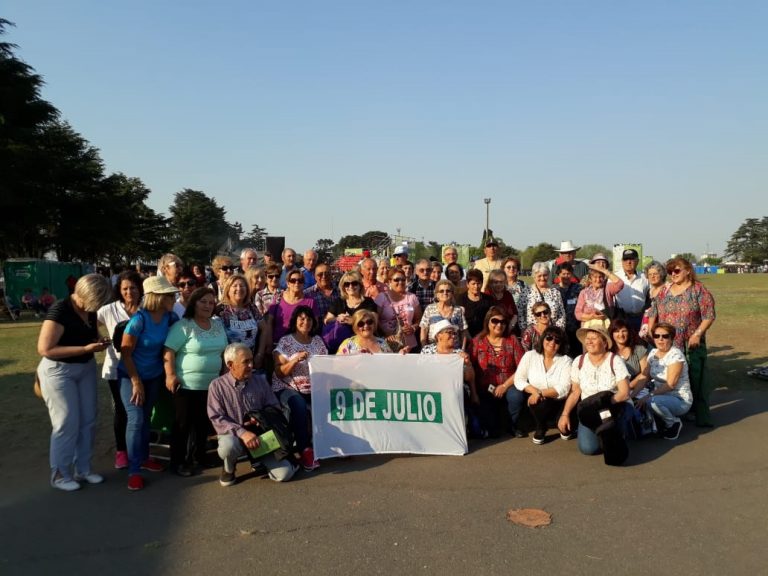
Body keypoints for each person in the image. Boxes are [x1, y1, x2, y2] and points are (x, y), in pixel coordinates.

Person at [37, 274, 113, 491]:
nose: (95, 308)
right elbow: (45, 349)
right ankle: (60, 474)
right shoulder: (60, 310)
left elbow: (89, 333)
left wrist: (97, 341)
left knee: (88, 419)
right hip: (58, 371)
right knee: (66, 422)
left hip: (85, 368)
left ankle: (83, 468)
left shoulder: (89, 309)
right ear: (83, 294)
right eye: (95, 302)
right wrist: (85, 349)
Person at [117, 276, 180, 491]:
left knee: (145, 419)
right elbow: (126, 353)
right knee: (135, 419)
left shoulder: (170, 317)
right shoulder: (138, 320)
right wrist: (136, 382)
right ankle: (134, 470)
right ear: (158, 297)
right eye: (170, 295)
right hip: (130, 376)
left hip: (154, 377)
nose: (174, 297)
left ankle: (144, 458)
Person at [207, 343, 298, 486]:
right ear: (231, 365)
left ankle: (260, 460)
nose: (251, 365)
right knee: (228, 446)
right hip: (234, 436)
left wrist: (261, 418)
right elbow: (216, 418)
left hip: (261, 436)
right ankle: (229, 469)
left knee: (285, 474)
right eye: (246, 362)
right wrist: (242, 432)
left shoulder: (260, 381)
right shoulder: (217, 386)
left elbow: (274, 406)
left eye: (251, 360)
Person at [164, 287, 228, 476]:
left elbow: (224, 352)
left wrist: (224, 376)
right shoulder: (184, 325)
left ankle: (199, 456)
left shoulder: (217, 325)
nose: (208, 305)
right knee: (183, 424)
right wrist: (170, 375)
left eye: (211, 302)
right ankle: (178, 462)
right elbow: (168, 351)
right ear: (194, 303)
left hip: (211, 385)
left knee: (203, 423)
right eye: (203, 301)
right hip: (185, 385)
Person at [647, 257, 716, 427]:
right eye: (670, 271)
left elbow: (709, 315)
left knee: (696, 378)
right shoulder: (665, 290)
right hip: (669, 344)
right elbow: (653, 311)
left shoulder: (698, 290)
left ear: (687, 270)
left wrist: (698, 333)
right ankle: (677, 410)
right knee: (672, 379)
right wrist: (651, 330)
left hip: (691, 342)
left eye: (676, 271)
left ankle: (700, 415)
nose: (673, 274)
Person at [559, 326, 631, 457]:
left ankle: (622, 429)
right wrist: (565, 414)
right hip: (589, 411)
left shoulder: (615, 361)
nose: (589, 342)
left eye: (594, 338)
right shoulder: (579, 361)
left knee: (614, 445)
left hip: (613, 407)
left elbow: (624, 393)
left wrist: (602, 404)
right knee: (588, 449)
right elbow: (575, 392)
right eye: (587, 339)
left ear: (604, 343)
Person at [97, 270, 143, 471]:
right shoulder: (109, 310)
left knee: (140, 410)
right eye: (125, 288)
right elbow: (90, 323)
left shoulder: (146, 308)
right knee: (122, 411)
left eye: (133, 287)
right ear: (119, 290)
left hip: (142, 367)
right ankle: (121, 451)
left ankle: (141, 449)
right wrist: (100, 339)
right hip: (116, 368)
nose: (129, 292)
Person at [272, 306, 328, 471]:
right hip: (288, 387)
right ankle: (305, 450)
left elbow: (325, 365)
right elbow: (280, 372)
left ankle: (330, 443)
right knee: (299, 405)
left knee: (331, 401)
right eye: (302, 318)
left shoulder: (317, 341)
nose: (306, 322)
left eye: (309, 319)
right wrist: (295, 360)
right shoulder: (286, 342)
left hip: (313, 388)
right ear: (295, 321)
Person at [470, 307, 526, 438]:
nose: (499, 325)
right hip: (485, 388)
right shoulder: (477, 341)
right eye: (495, 321)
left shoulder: (512, 340)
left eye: (503, 322)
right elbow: (470, 366)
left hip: (509, 384)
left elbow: (522, 367)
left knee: (516, 397)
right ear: (487, 323)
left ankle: (513, 425)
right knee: (492, 429)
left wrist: (504, 386)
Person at [514, 326, 575, 444]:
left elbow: (564, 387)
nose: (552, 343)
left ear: (561, 344)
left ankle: (559, 422)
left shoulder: (566, 360)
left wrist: (541, 392)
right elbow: (519, 379)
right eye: (549, 338)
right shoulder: (530, 356)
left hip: (558, 401)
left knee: (566, 431)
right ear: (542, 339)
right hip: (537, 400)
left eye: (557, 341)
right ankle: (540, 427)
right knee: (538, 402)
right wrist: (535, 392)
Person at [637, 322, 693, 440]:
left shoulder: (675, 355)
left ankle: (673, 423)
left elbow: (670, 385)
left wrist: (648, 396)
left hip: (680, 400)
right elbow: (644, 377)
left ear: (672, 338)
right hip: (661, 396)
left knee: (651, 402)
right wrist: (630, 394)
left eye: (665, 336)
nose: (660, 339)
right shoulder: (652, 353)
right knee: (638, 398)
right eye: (657, 336)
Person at [216, 274, 270, 371]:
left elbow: (264, 329)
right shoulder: (220, 310)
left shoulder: (251, 308)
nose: (239, 288)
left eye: (242, 286)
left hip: (250, 362)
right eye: (235, 286)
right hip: (228, 365)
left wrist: (260, 354)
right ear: (228, 289)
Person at [376, 267, 422, 352]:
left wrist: (413, 328)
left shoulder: (412, 297)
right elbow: (375, 319)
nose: (400, 282)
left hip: (409, 346)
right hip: (387, 344)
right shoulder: (381, 297)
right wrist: (386, 334)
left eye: (403, 279)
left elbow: (419, 319)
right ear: (389, 281)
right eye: (396, 280)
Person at [268, 268, 316, 345]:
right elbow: (269, 322)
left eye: (300, 281)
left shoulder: (310, 301)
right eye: (293, 280)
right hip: (277, 343)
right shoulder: (278, 298)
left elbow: (314, 325)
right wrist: (269, 341)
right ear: (288, 283)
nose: (296, 283)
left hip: (300, 344)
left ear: (303, 284)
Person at [574, 258, 624, 330]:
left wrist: (603, 270)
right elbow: (578, 314)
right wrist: (592, 316)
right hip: (588, 328)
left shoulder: (607, 288)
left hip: (606, 327)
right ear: (590, 279)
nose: (598, 280)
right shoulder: (583, 293)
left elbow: (620, 284)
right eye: (595, 277)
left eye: (601, 277)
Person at [419, 279, 469, 348]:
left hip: (454, 350)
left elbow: (463, 331)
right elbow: (424, 329)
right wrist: (424, 347)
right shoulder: (429, 308)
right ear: (437, 294)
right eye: (441, 291)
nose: (445, 293)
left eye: (448, 291)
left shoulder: (458, 310)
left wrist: (462, 349)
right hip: (433, 350)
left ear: (452, 294)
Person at [609, 318, 649, 398]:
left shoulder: (639, 349)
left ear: (629, 332)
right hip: (613, 390)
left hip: (638, 388)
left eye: (624, 331)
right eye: (617, 331)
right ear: (612, 334)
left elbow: (645, 373)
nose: (621, 334)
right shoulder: (608, 353)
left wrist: (628, 386)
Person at [614, 248, 650, 332]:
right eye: (626, 259)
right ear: (622, 262)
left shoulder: (645, 277)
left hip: (641, 318)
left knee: (641, 343)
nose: (628, 262)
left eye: (631, 259)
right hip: (622, 318)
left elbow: (650, 296)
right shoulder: (615, 277)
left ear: (637, 261)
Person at [337, 309, 401, 354]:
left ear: (374, 324)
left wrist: (401, 356)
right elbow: (337, 366)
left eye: (369, 322)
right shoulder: (348, 344)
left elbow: (390, 365)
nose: (366, 326)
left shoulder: (382, 343)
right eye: (361, 324)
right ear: (355, 326)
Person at [526, 262, 566, 330]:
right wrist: (525, 330)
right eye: (539, 276)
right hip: (533, 332)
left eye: (545, 275)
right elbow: (521, 314)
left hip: (552, 332)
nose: (542, 278)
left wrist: (558, 331)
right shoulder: (526, 292)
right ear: (534, 276)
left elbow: (561, 314)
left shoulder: (555, 292)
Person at [555, 262, 582, 356]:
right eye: (563, 274)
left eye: (568, 274)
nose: (566, 276)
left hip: (576, 329)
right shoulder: (553, 290)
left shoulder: (578, 288)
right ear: (558, 275)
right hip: (560, 329)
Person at [456, 268, 492, 339]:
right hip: (464, 336)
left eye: (478, 283)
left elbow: (490, 320)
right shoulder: (460, 299)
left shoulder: (488, 300)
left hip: (484, 336)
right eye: (473, 284)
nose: (476, 286)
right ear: (467, 284)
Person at [503, 257, 527, 330]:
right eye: (508, 267)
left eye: (514, 267)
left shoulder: (523, 285)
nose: (511, 269)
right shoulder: (499, 285)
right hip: (502, 322)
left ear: (518, 269)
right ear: (503, 269)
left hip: (520, 324)